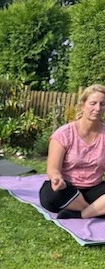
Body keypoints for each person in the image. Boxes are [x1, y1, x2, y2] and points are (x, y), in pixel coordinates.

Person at [39, 84, 105, 220]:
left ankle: (82, 214)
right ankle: (97, 209)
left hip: (93, 189)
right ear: (82, 105)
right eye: (93, 103)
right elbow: (52, 169)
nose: (97, 108)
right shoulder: (64, 134)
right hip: (66, 189)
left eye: (102, 104)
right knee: (53, 194)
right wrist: (57, 179)